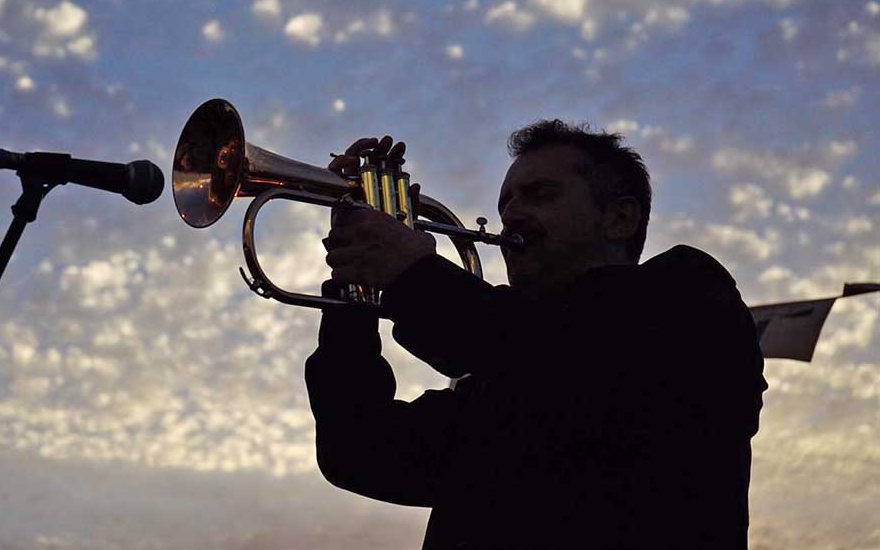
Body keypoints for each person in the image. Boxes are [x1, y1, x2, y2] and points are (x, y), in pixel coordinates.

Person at [305, 120, 767, 550]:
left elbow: (557, 353)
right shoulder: (496, 387)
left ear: (619, 219)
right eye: (506, 204)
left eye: (539, 195)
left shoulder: (688, 296)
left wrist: (411, 272)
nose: (512, 216)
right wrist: (354, 288)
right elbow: (356, 448)